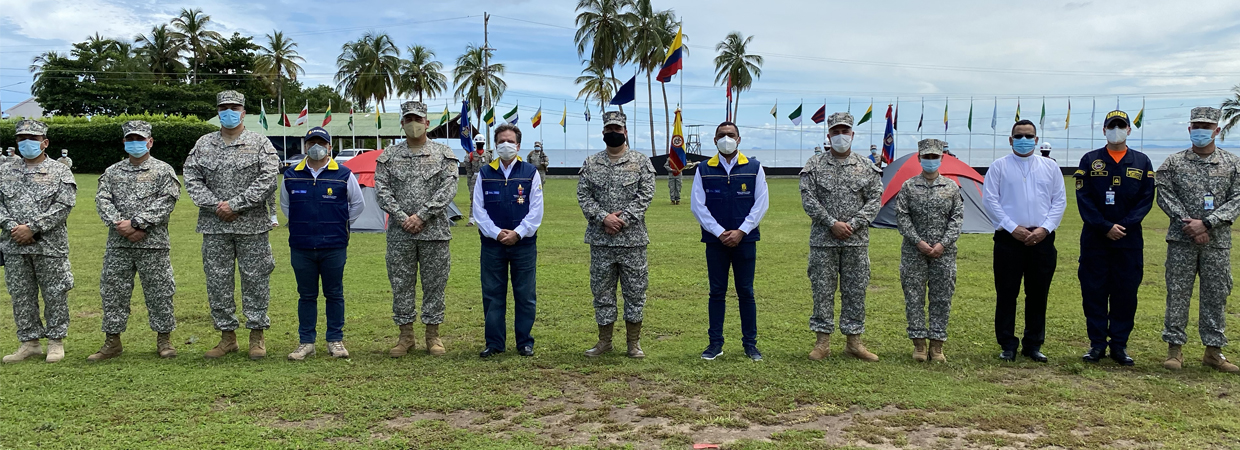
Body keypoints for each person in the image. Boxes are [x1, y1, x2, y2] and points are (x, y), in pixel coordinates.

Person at [183, 90, 281, 360]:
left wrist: (236, 205)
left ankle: (257, 335)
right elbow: (191, 177)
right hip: (215, 227)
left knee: (256, 280)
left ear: (243, 112)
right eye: (223, 107)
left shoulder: (260, 143)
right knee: (218, 282)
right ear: (218, 111)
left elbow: (268, 178)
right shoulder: (203, 144)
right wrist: (216, 206)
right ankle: (227, 337)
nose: (228, 111)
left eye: (234, 106)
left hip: (252, 226)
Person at [1156, 106, 1240, 373]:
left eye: (1207, 127)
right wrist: (1189, 224)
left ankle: (1214, 352)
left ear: (1217, 130)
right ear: (1190, 129)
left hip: (1216, 242)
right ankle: (1174, 349)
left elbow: (1237, 199)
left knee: (1216, 294)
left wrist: (1207, 223)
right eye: (1197, 127)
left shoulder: (1233, 164)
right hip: (1182, 240)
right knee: (1178, 293)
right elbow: (1164, 195)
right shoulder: (1173, 162)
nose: (1201, 131)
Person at [88, 120, 181, 361]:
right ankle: (112, 341)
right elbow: (102, 200)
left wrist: (138, 224)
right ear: (124, 142)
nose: (135, 143)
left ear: (150, 142)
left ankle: (164, 339)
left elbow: (167, 201)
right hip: (119, 244)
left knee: (160, 291)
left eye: (140, 139)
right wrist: (121, 225)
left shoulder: (163, 171)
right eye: (130, 139)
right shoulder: (112, 172)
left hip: (153, 243)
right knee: (113, 292)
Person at [374, 101, 459, 358]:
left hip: (434, 232)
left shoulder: (444, 154)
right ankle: (406, 336)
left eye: (418, 119)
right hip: (401, 234)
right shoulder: (388, 156)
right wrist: (402, 217)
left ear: (427, 123)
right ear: (402, 123)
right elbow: (381, 190)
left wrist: (422, 216)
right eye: (409, 119)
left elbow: (448, 189)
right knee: (401, 284)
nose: (413, 123)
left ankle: (433, 336)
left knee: (435, 284)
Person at [800, 112, 883, 362]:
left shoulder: (866, 166)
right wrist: (831, 223)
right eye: (835, 132)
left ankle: (854, 342)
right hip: (823, 241)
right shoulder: (814, 165)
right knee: (822, 290)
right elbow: (808, 199)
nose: (840, 136)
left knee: (855, 289)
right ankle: (822, 342)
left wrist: (853, 224)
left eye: (844, 131)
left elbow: (875, 200)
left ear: (852, 134)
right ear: (828, 135)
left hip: (855, 241)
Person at [1073, 110, 1154, 366]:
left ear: (1129, 130)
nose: (1116, 130)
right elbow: (1083, 199)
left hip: (1128, 241)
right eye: (1112, 126)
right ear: (1104, 130)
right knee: (1094, 291)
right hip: (1096, 239)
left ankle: (1119, 345)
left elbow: (1145, 200)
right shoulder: (1090, 160)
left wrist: (1123, 226)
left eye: (1121, 126)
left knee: (1125, 292)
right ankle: (1096, 344)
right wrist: (1105, 226)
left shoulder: (1141, 162)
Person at [982, 119, 1066, 362]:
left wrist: (1045, 229)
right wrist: (1012, 228)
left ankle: (1033, 344)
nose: (1024, 140)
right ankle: (1007, 344)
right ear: (1010, 140)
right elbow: (990, 201)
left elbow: (1059, 201)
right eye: (1019, 136)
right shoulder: (999, 167)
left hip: (1042, 239)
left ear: (1036, 140)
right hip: (1009, 240)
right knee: (1007, 293)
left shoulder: (1050, 167)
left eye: (1029, 136)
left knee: (1038, 294)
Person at [281, 127, 365, 361]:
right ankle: (306, 342)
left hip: (334, 245)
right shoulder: (291, 175)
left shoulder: (344, 174)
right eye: (311, 143)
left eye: (321, 143)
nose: (316, 147)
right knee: (306, 295)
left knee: (334, 293)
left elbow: (357, 205)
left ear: (330, 147)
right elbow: (286, 207)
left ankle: (335, 340)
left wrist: (338, 222)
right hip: (302, 245)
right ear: (305, 146)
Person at [577, 111, 656, 358]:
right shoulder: (591, 163)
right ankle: (604, 341)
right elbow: (583, 195)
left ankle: (634, 343)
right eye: (609, 130)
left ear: (625, 132)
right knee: (602, 292)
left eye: (617, 129)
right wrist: (604, 217)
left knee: (635, 292)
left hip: (632, 241)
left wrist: (622, 220)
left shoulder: (640, 162)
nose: (613, 133)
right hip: (602, 241)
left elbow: (645, 195)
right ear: (603, 133)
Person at [0, 119, 76, 363]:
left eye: (32, 138)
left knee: (55, 292)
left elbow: (64, 204)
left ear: (44, 142)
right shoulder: (5, 169)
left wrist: (32, 228)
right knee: (21, 294)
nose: (26, 143)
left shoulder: (60, 170)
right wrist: (13, 227)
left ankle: (55, 341)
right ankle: (29, 342)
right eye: (21, 138)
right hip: (14, 244)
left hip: (49, 245)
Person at [691, 121, 769, 361]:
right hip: (716, 243)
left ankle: (750, 344)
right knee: (717, 292)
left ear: (739, 139)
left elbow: (760, 204)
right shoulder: (703, 169)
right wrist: (719, 232)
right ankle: (715, 344)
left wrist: (741, 231)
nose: (727, 138)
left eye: (731, 135)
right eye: (722, 135)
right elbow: (698, 206)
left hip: (745, 241)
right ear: (714, 141)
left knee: (746, 292)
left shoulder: (754, 168)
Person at [475, 124, 544, 358]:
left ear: (518, 145)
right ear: (495, 145)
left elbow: (536, 211)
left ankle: (525, 342)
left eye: (510, 141)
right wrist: (496, 234)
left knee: (525, 294)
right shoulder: (484, 173)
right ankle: (494, 343)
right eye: (501, 141)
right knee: (493, 294)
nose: (506, 145)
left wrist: (518, 233)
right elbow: (478, 211)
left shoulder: (530, 172)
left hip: (523, 244)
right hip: (492, 245)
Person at [896, 139, 963, 362]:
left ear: (942, 158)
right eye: (927, 157)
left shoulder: (951, 187)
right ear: (919, 158)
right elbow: (902, 217)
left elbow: (957, 219)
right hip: (914, 251)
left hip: (944, 252)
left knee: (942, 297)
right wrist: (918, 242)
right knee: (914, 297)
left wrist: (943, 243)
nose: (931, 161)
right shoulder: (908, 186)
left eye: (935, 157)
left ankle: (937, 345)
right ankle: (919, 345)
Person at [464, 135, 487, 226]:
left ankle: (485, 218)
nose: (480, 144)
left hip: (485, 179)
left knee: (486, 198)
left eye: (481, 143)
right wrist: (469, 182)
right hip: (475, 178)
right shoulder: (471, 155)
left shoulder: (488, 155)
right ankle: (471, 219)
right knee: (473, 199)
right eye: (478, 143)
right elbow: (468, 170)